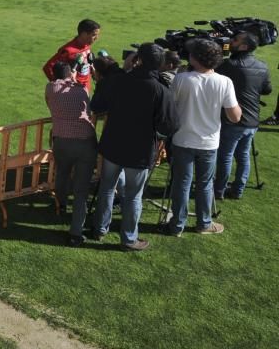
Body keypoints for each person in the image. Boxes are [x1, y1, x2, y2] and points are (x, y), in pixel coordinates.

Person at [90, 43, 178, 251]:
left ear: (137, 59)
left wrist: (126, 68)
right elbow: (169, 125)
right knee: (133, 196)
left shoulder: (119, 81)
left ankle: (100, 229)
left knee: (107, 189)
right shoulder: (161, 90)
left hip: (113, 145)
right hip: (139, 151)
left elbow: (97, 105)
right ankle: (128, 239)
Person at [166, 39, 242, 236]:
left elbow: (171, 107)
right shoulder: (224, 82)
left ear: (194, 57)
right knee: (204, 184)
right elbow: (235, 117)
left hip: (182, 139)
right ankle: (204, 223)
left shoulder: (182, 79)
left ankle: (177, 225)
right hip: (208, 142)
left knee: (181, 183)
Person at [215, 32, 272, 199]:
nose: (231, 42)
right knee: (243, 155)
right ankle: (238, 189)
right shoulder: (262, 66)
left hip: (233, 120)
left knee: (225, 156)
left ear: (244, 46)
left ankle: (219, 190)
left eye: (235, 41)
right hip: (252, 121)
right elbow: (267, 90)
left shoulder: (230, 65)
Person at [44, 62, 97, 233]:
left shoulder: (51, 88)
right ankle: (76, 231)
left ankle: (62, 204)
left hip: (62, 141)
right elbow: (87, 110)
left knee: (62, 173)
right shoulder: (82, 89)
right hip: (85, 142)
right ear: (70, 73)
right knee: (81, 190)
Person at [43, 19, 101, 90]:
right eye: (94, 35)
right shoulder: (68, 50)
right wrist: (59, 85)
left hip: (85, 90)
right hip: (73, 92)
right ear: (84, 34)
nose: (96, 38)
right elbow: (48, 67)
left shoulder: (86, 45)